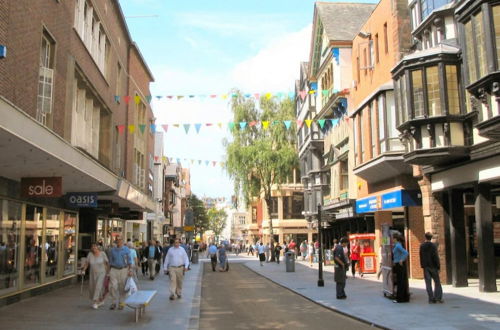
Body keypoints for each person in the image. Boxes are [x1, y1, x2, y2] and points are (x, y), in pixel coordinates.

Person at [82, 242, 109, 309]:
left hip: (102, 272)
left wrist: (108, 272)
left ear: (98, 247)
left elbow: (106, 263)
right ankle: (101, 300)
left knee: (98, 286)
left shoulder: (102, 254)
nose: (94, 248)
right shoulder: (90, 254)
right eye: (92, 246)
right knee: (93, 287)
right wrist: (84, 270)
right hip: (92, 273)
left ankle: (95, 302)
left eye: (95, 246)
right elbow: (87, 263)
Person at [108, 237, 132, 310]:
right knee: (113, 286)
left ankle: (121, 303)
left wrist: (130, 270)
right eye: (118, 241)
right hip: (114, 269)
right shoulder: (112, 250)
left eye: (121, 241)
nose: (119, 243)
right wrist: (108, 272)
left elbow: (129, 260)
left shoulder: (126, 250)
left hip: (123, 270)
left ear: (123, 242)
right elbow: (110, 261)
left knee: (122, 287)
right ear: (116, 242)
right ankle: (113, 303)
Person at [420, 232, 443, 304]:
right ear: (431, 238)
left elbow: (421, 256)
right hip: (433, 266)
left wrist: (422, 265)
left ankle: (431, 298)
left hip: (426, 267)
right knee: (437, 282)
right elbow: (435, 257)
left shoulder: (422, 246)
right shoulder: (433, 246)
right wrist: (438, 266)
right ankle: (438, 297)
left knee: (428, 283)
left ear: (425, 237)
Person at [393, 234, 409, 303]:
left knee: (400, 281)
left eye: (393, 238)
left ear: (396, 239)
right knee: (401, 281)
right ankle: (404, 297)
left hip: (399, 265)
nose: (392, 240)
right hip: (398, 264)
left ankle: (400, 298)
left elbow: (406, 253)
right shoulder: (398, 245)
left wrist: (401, 260)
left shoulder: (398, 245)